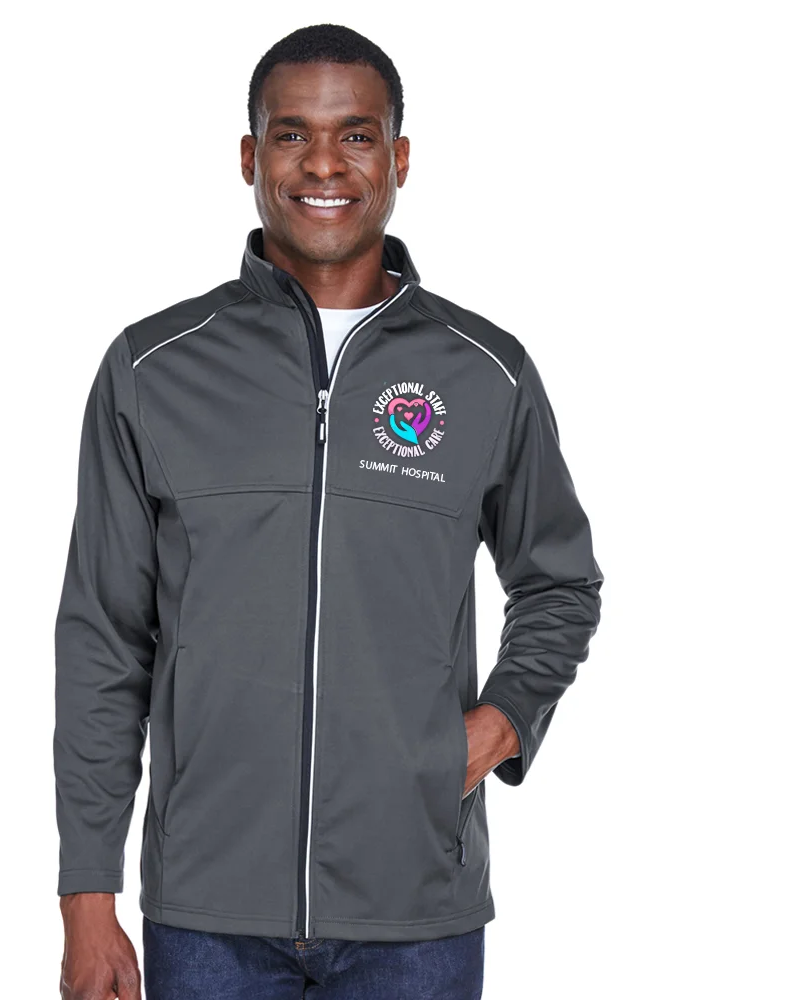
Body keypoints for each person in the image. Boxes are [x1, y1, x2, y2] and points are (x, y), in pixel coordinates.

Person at [54, 22, 604, 1000]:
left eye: (355, 135)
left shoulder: (485, 373)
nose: (322, 164)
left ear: (398, 158)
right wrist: (87, 896)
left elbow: (558, 582)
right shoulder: (153, 368)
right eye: (291, 134)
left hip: (415, 911)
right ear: (248, 156)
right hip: (207, 912)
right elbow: (105, 639)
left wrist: (500, 723)